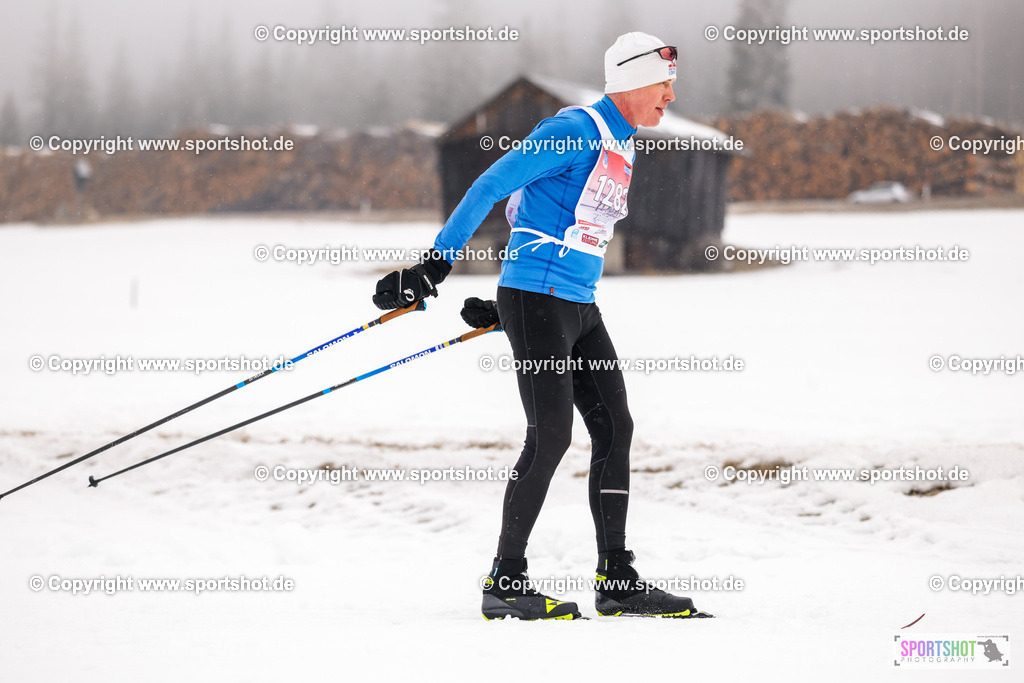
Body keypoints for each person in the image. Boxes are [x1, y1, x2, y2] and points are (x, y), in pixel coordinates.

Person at [372, 32, 711, 621]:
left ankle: (617, 581)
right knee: (551, 435)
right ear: (631, 80)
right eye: (662, 84)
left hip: (575, 303)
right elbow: (491, 185)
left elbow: (548, 219)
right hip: (540, 299)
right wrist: (437, 265)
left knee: (615, 428)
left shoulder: (621, 142)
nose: (670, 95)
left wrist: (510, 309)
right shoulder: (574, 129)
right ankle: (506, 583)